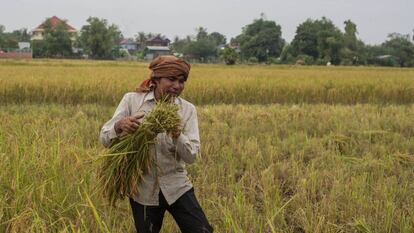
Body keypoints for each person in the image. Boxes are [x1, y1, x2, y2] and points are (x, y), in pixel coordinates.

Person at [99, 55, 213, 233]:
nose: (177, 86)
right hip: (143, 189)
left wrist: (177, 135)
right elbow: (104, 138)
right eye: (171, 79)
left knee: (202, 230)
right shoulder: (132, 101)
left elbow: (191, 156)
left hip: (177, 186)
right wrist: (120, 126)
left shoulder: (187, 110)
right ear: (157, 79)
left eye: (181, 81)